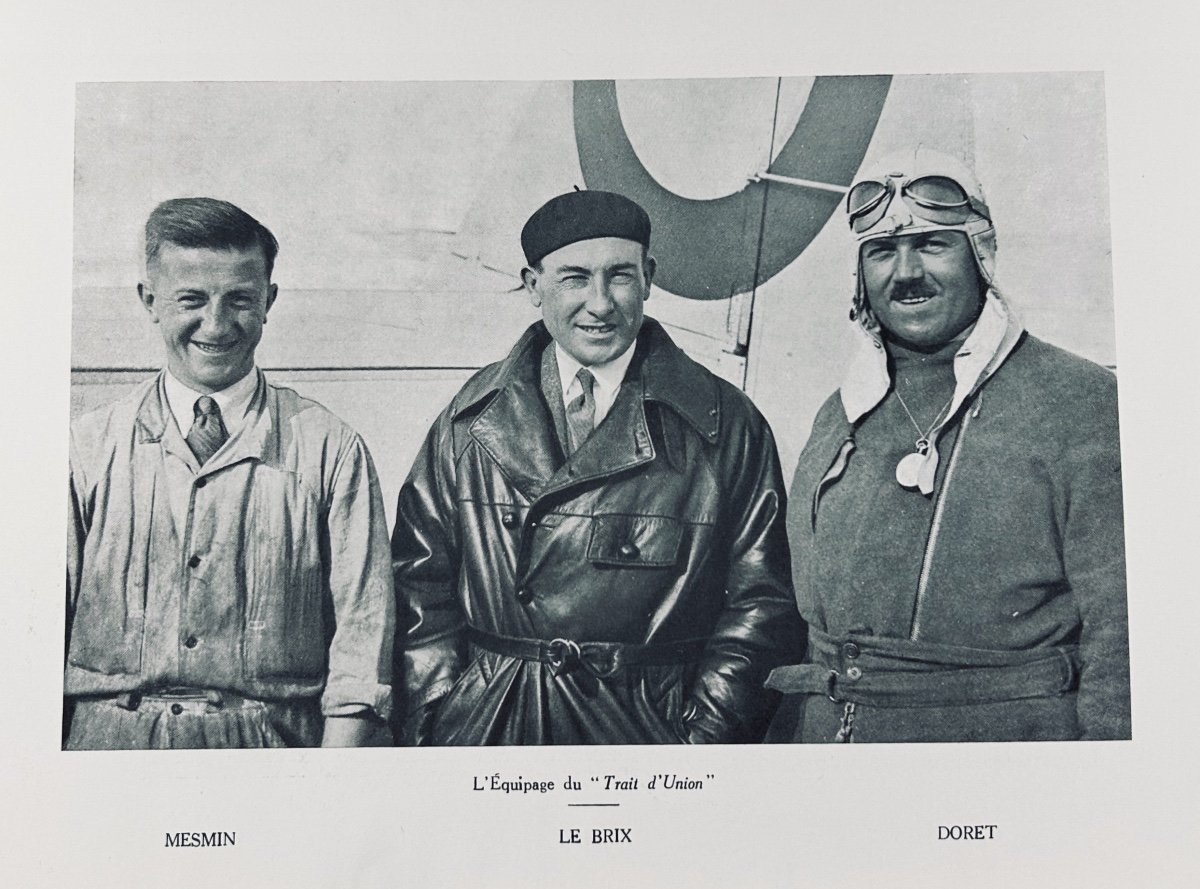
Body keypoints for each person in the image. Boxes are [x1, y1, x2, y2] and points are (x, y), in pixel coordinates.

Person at [391, 189, 799, 745]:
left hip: (647, 739)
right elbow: (420, 584)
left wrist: (703, 741)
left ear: (650, 278)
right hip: (493, 728)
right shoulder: (468, 421)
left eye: (621, 276)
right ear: (534, 286)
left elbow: (762, 606)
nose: (601, 303)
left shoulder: (725, 425)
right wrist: (445, 718)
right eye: (575, 278)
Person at [765, 149, 1131, 742]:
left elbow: (1128, 633)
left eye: (933, 244)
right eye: (882, 252)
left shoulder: (1081, 401)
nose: (905, 272)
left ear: (979, 256)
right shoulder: (841, 413)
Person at [65, 197, 394, 749]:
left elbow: (363, 657)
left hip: (270, 753)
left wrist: (334, 795)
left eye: (240, 300)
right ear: (150, 301)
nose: (215, 325)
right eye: (191, 299)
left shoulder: (330, 449)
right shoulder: (86, 448)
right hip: (108, 750)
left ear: (269, 301)